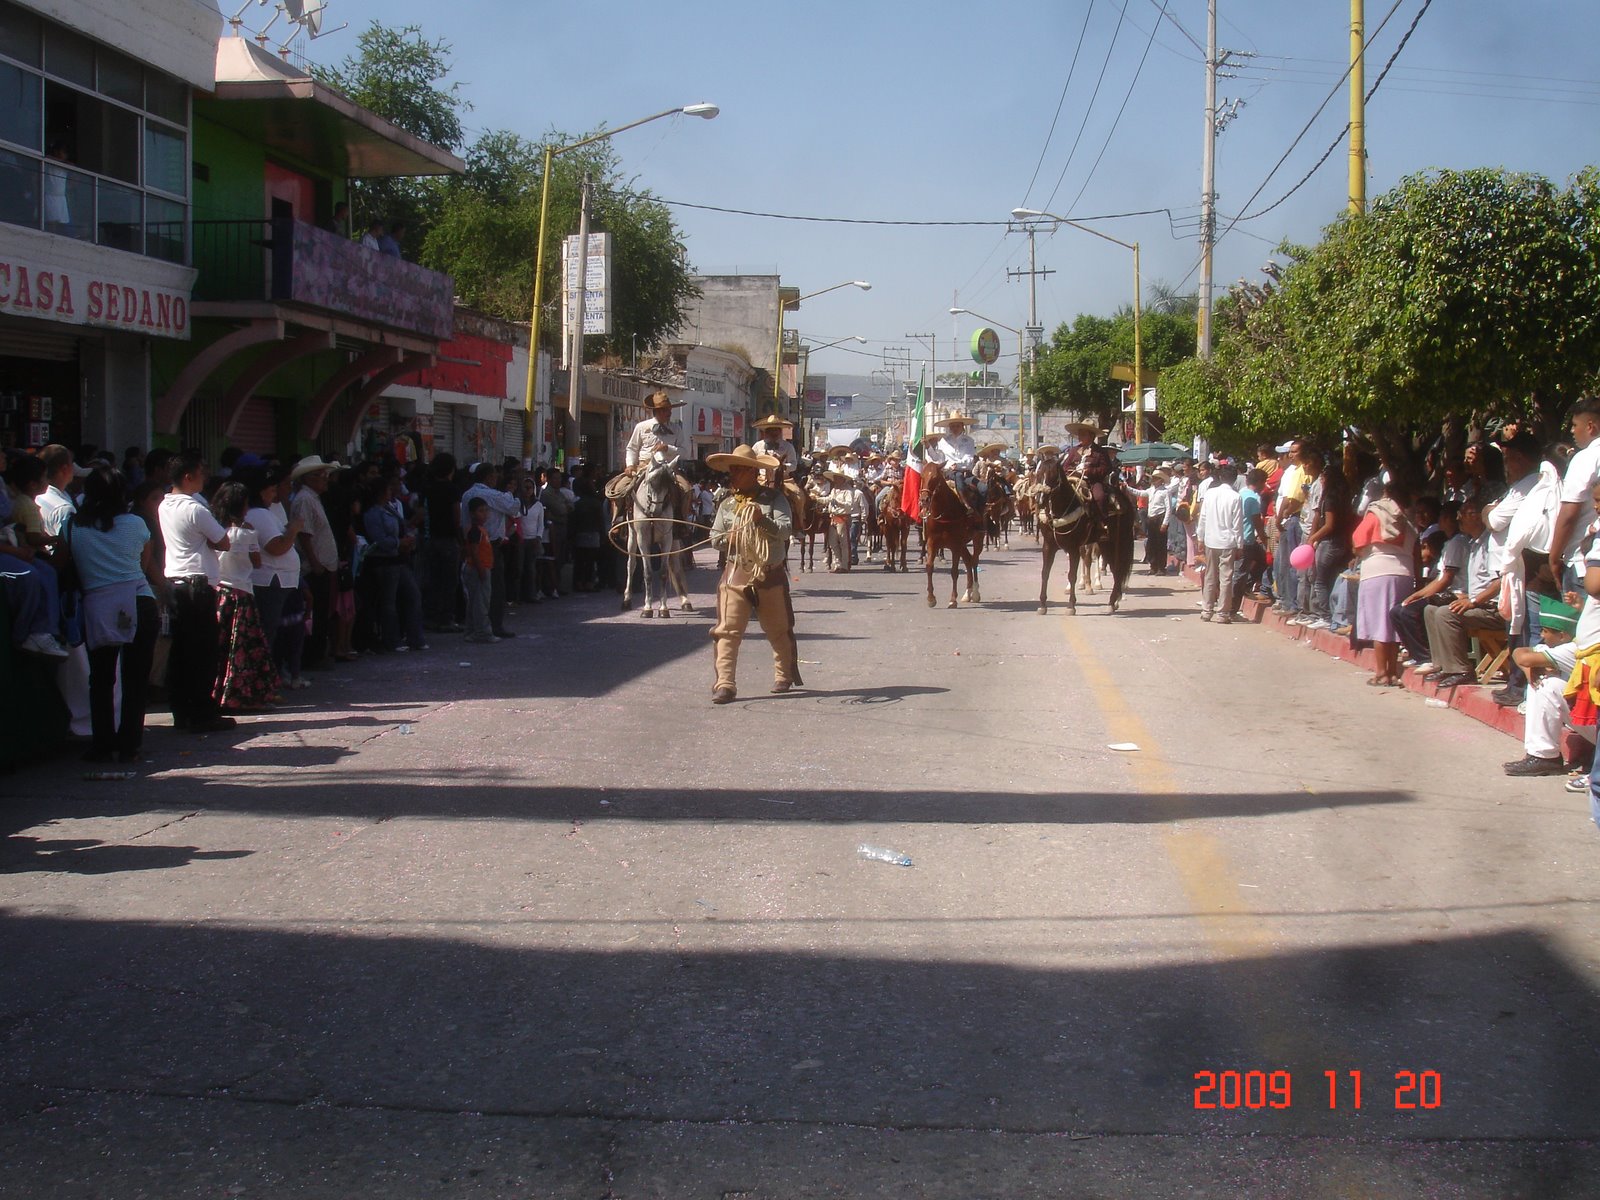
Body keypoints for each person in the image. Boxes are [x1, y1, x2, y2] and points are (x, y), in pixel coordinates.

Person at [71, 466, 160, 761]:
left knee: (101, 678)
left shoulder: (74, 526)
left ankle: (102, 743)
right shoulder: (136, 523)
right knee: (135, 678)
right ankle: (129, 743)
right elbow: (144, 564)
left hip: (98, 605)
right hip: (138, 600)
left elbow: (63, 561)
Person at [706, 445, 798, 704]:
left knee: (779, 628)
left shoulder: (774, 499)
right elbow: (714, 539)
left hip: (769, 573)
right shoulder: (726, 504)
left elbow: (785, 531)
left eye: (738, 470)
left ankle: (784, 674)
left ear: (752, 472)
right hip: (736, 572)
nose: (732, 475)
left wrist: (761, 520)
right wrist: (730, 538)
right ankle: (725, 683)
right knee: (727, 630)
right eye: (731, 470)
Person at [159, 451, 234, 733]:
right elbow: (223, 541)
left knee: (181, 651)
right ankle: (202, 711)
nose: (205, 478)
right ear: (188, 477)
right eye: (201, 473)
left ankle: (182, 710)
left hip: (176, 582)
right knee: (202, 652)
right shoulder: (195, 509)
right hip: (197, 585)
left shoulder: (166, 505)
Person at [210, 481, 278, 712]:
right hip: (242, 594)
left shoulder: (214, 530)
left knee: (220, 645)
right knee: (242, 647)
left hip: (218, 593)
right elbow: (257, 562)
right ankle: (242, 693)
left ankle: (216, 691)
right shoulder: (247, 531)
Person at [1422, 497, 1503, 689]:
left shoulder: (1490, 544)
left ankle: (1461, 670)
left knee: (1446, 614)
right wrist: (1466, 598)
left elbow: (1500, 582)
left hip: (1494, 608)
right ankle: (1443, 666)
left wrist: (1473, 601)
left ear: (1477, 517)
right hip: (1479, 603)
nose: (1459, 519)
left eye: (1463, 515)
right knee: (1431, 610)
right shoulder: (1473, 544)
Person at [1503, 595, 1585, 777]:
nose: (1541, 636)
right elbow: (1518, 652)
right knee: (1544, 680)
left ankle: (1544, 756)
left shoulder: (1571, 649)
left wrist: (1530, 667)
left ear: (1562, 635)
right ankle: (1543, 756)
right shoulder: (1563, 646)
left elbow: (1523, 658)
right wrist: (1530, 671)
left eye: (1545, 631)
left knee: (1546, 685)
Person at [1352, 479, 1417, 686]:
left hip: (1377, 571)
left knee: (1380, 624)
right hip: (1404, 573)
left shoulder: (1376, 512)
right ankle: (1392, 671)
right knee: (1394, 623)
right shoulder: (1409, 517)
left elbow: (1358, 540)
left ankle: (1381, 673)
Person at [362, 476, 428, 654]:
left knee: (413, 595)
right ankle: (392, 639)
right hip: (385, 561)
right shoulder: (373, 513)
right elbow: (379, 539)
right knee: (389, 602)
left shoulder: (390, 508)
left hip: (400, 560)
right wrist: (399, 543)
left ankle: (415, 636)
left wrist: (408, 539)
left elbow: (403, 526)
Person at [459, 462, 520, 637]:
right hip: (487, 544)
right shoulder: (491, 495)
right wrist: (511, 494)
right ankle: (490, 627)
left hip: (471, 542)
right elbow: (513, 507)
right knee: (491, 589)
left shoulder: (467, 494)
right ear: (488, 477)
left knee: (476, 591)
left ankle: (474, 628)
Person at [1196, 462, 1243, 624]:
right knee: (1226, 578)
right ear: (1234, 480)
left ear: (1221, 477)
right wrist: (1240, 545)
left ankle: (1206, 610)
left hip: (1211, 539)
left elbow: (1202, 517)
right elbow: (1238, 524)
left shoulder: (1210, 494)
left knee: (1210, 576)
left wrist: (1200, 538)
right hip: (1228, 542)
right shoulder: (1236, 497)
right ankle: (1223, 613)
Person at [460, 497, 496, 644]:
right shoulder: (475, 530)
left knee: (474, 602)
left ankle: (471, 631)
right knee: (481, 603)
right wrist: (481, 569)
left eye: (486, 510)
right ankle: (482, 632)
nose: (485, 514)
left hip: (480, 568)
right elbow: (473, 552)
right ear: (473, 513)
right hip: (478, 569)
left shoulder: (481, 530)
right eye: (481, 511)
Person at [824, 469, 858, 574]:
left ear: (842, 479)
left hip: (843, 517)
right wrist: (817, 499)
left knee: (843, 542)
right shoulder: (834, 490)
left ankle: (845, 565)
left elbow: (849, 505)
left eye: (837, 478)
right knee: (833, 543)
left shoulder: (848, 490)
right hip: (833, 516)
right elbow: (829, 499)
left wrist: (837, 502)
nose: (835, 480)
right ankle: (837, 564)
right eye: (834, 478)